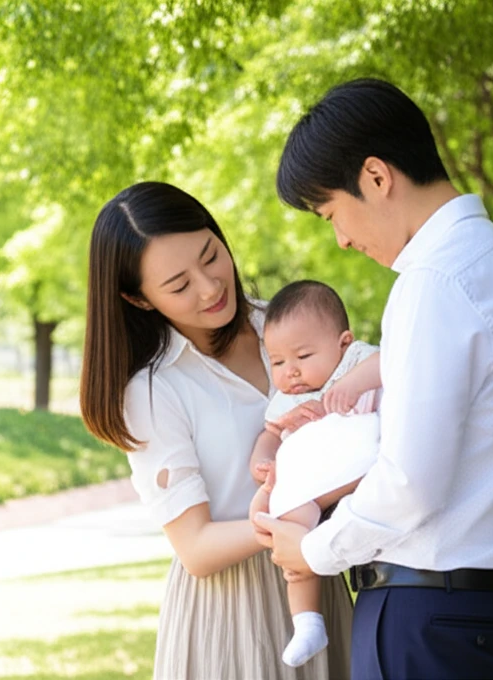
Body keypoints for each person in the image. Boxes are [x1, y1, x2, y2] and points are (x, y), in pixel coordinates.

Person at [252, 78, 493, 680]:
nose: (341, 239)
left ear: (375, 176)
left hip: (426, 617)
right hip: (475, 613)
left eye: (332, 213)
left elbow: (411, 481)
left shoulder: (435, 282)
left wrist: (310, 551)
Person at [79, 181, 353, 680]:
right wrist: (287, 524)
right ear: (138, 300)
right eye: (179, 286)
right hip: (232, 613)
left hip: (318, 581)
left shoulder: (285, 324)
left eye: (211, 256)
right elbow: (196, 548)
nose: (209, 288)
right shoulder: (154, 389)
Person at [246, 279, 382, 668]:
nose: (290, 372)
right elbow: (270, 434)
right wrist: (265, 461)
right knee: (289, 526)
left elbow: (392, 362)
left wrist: (353, 384)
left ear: (343, 342)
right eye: (277, 362)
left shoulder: (356, 361)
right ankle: (307, 621)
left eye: (303, 355)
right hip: (313, 489)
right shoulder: (286, 400)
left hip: (362, 475)